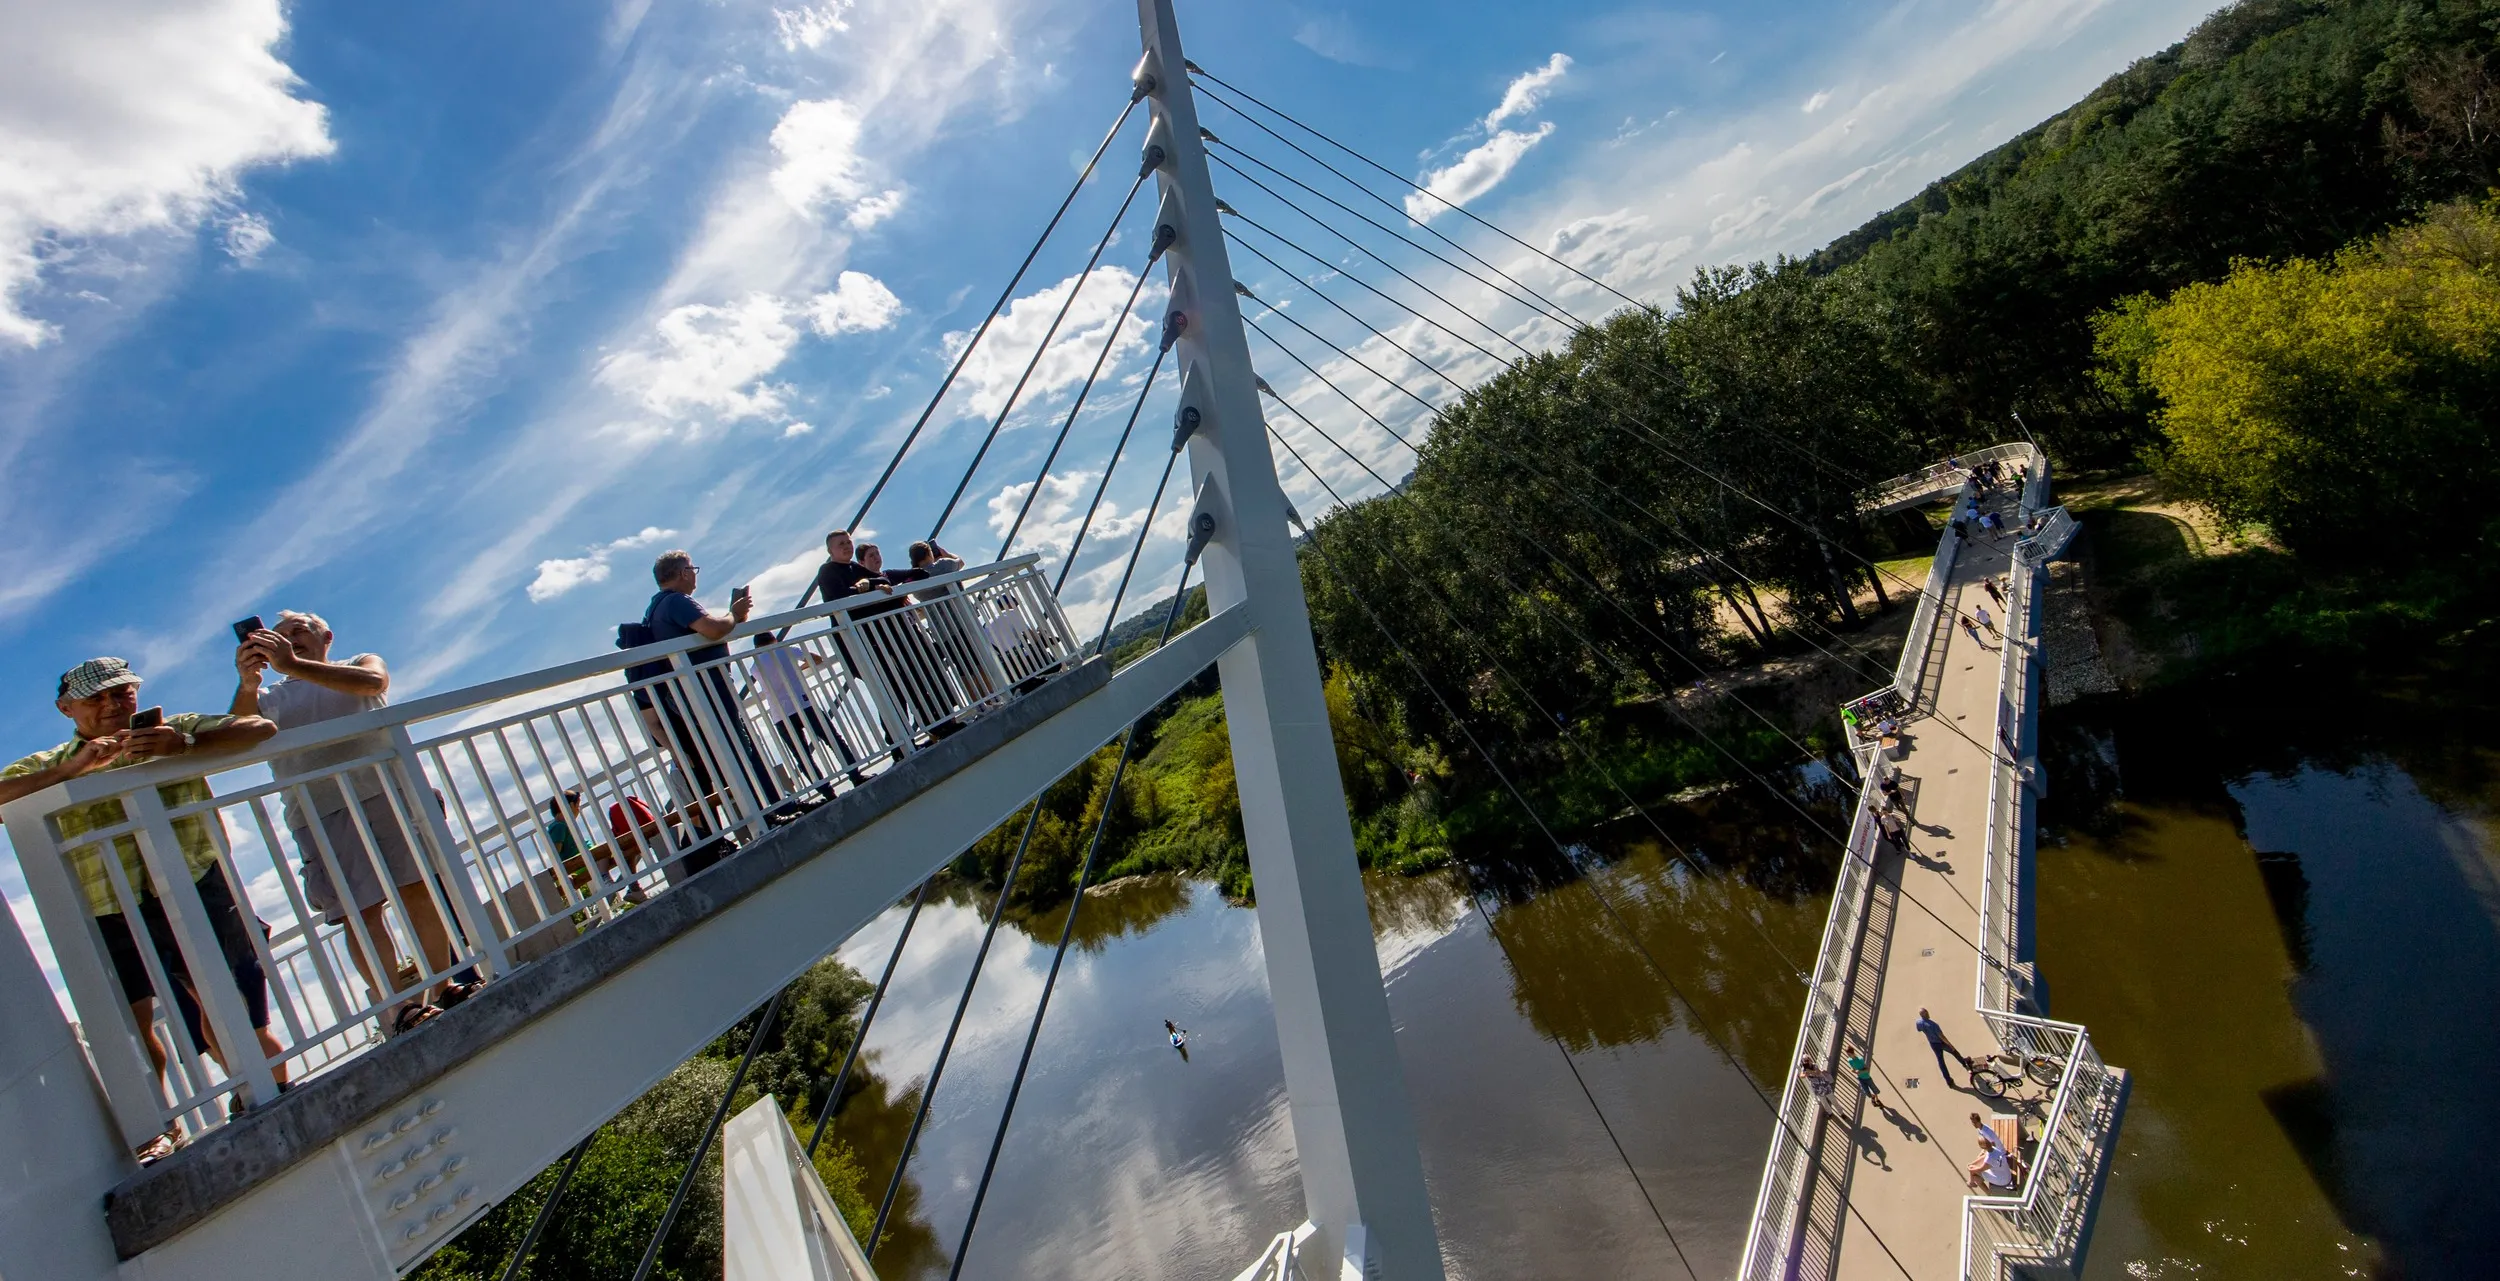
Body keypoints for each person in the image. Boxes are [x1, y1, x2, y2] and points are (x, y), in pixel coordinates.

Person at [0, 658, 288, 1155]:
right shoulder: (47, 763)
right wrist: (71, 772)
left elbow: (259, 728)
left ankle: (266, 1092)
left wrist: (186, 745)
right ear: (66, 709)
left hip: (193, 882)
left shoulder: (172, 729)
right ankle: (157, 1129)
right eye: (96, 697)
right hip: (106, 904)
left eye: (122, 693)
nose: (112, 704)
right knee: (128, 1025)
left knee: (220, 1001)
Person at [234, 611, 474, 1032]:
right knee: (360, 913)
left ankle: (443, 986)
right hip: (318, 812)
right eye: (281, 637)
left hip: (385, 792)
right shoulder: (269, 696)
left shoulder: (360, 662)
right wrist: (249, 681)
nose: (290, 640)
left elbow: (374, 684)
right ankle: (400, 1009)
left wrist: (291, 664)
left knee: (417, 889)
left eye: (299, 632)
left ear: (325, 636)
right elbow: (239, 730)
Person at [641, 550, 778, 825]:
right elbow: (713, 629)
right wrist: (733, 614)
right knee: (739, 748)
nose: (694, 575)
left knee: (734, 747)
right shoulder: (677, 601)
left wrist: (734, 618)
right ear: (683, 573)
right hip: (705, 689)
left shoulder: (656, 607)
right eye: (693, 569)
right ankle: (769, 812)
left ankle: (769, 809)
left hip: (692, 693)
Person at [750, 631, 865, 788]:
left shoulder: (754, 668)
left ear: (756, 647)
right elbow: (816, 659)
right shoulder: (786, 650)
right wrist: (799, 668)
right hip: (804, 704)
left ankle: (826, 792)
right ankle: (855, 775)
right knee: (833, 739)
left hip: (780, 715)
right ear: (774, 640)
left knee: (802, 756)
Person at [1914, 1008, 1962, 1087]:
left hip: (1933, 1044)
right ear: (1925, 1014)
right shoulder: (1933, 1025)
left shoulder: (1918, 1023)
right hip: (1941, 1042)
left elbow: (1919, 1030)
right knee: (1954, 1052)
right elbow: (1941, 1036)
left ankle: (1948, 1080)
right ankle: (1964, 1062)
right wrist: (1950, 1045)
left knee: (1941, 1061)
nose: (1928, 1013)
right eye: (1926, 1012)